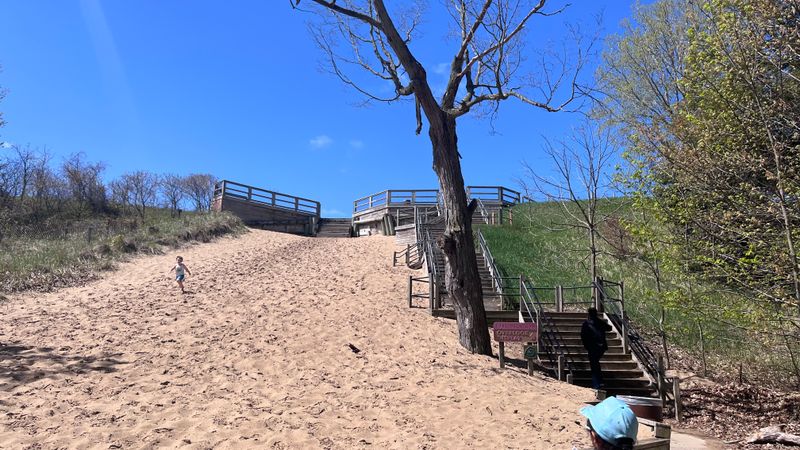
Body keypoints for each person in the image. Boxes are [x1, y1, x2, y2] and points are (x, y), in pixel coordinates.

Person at [581, 307, 612, 389]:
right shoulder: (599, 322)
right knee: (595, 363)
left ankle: (597, 384)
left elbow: (583, 336)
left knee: (594, 364)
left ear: (588, 314)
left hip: (592, 347)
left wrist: (586, 346)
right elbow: (609, 328)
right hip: (601, 347)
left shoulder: (586, 323)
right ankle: (599, 382)